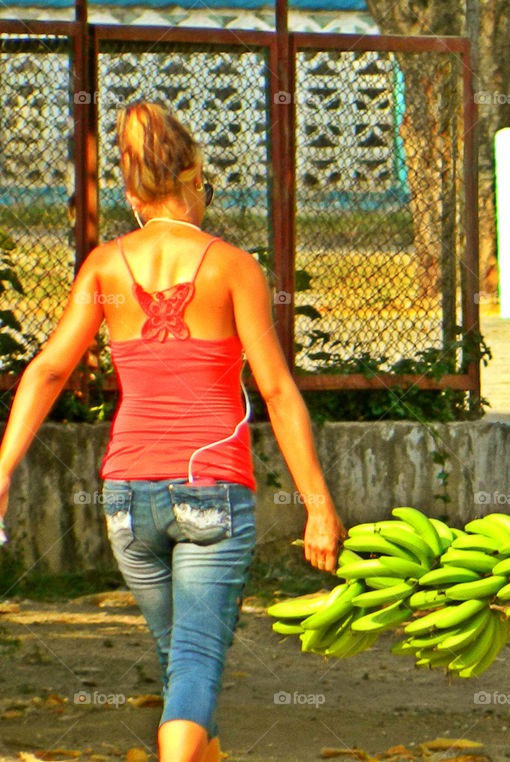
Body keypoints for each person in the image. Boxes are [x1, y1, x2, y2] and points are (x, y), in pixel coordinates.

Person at [0, 102, 345, 762]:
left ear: (132, 194)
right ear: (193, 178)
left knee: (183, 671)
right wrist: (318, 506)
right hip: (210, 493)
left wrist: (4, 468)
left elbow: (46, 370)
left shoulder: (104, 266)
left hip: (128, 500)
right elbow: (275, 389)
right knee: (192, 667)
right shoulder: (231, 265)